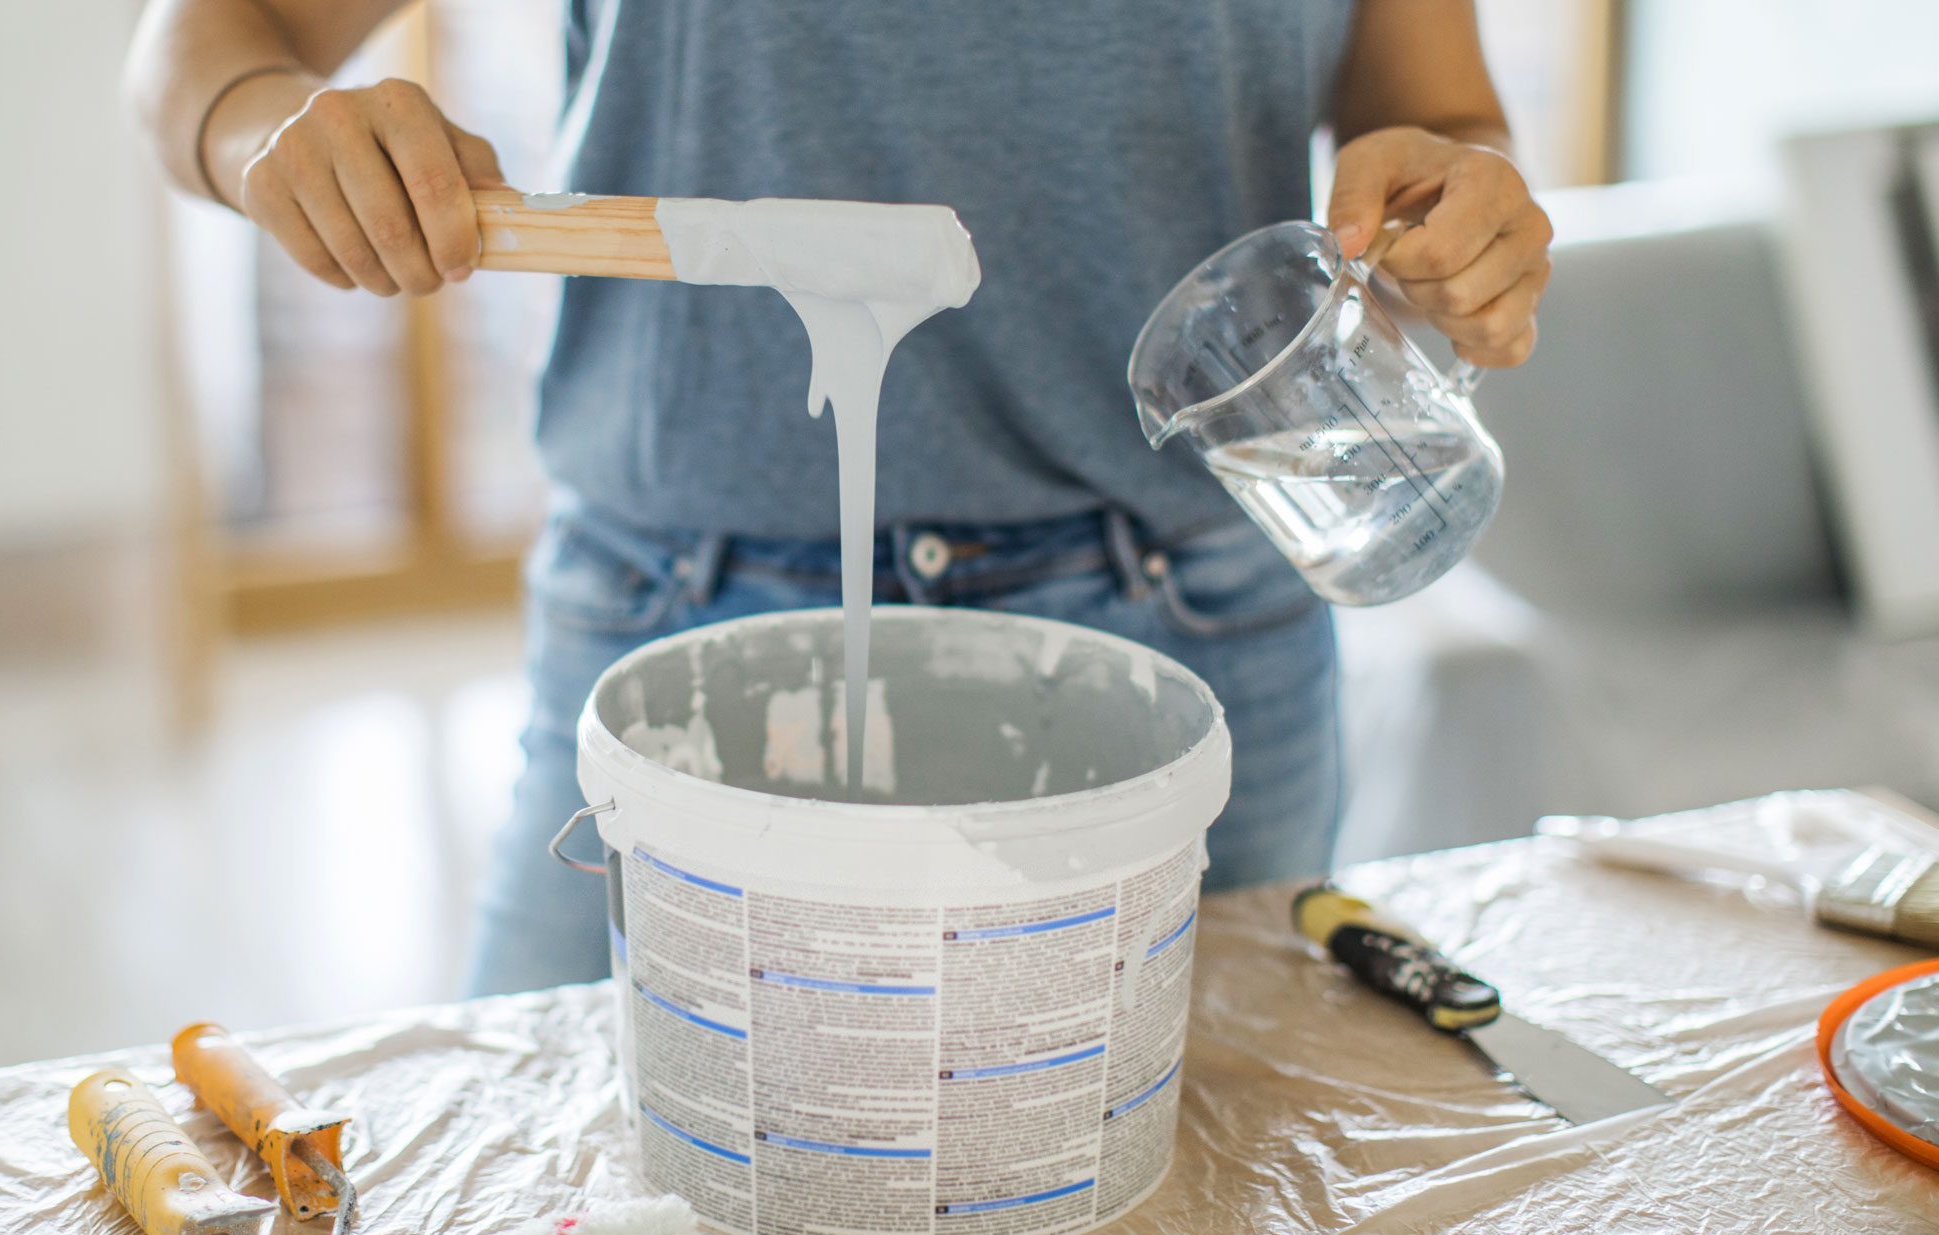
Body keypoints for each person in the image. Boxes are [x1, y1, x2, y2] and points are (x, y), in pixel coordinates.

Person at [127, 0, 1552, 995]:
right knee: (551, 1222)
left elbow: (1434, 103)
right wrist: (270, 132)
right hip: (673, 623)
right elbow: (199, 42)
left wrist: (1465, 194)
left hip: (1184, 632)